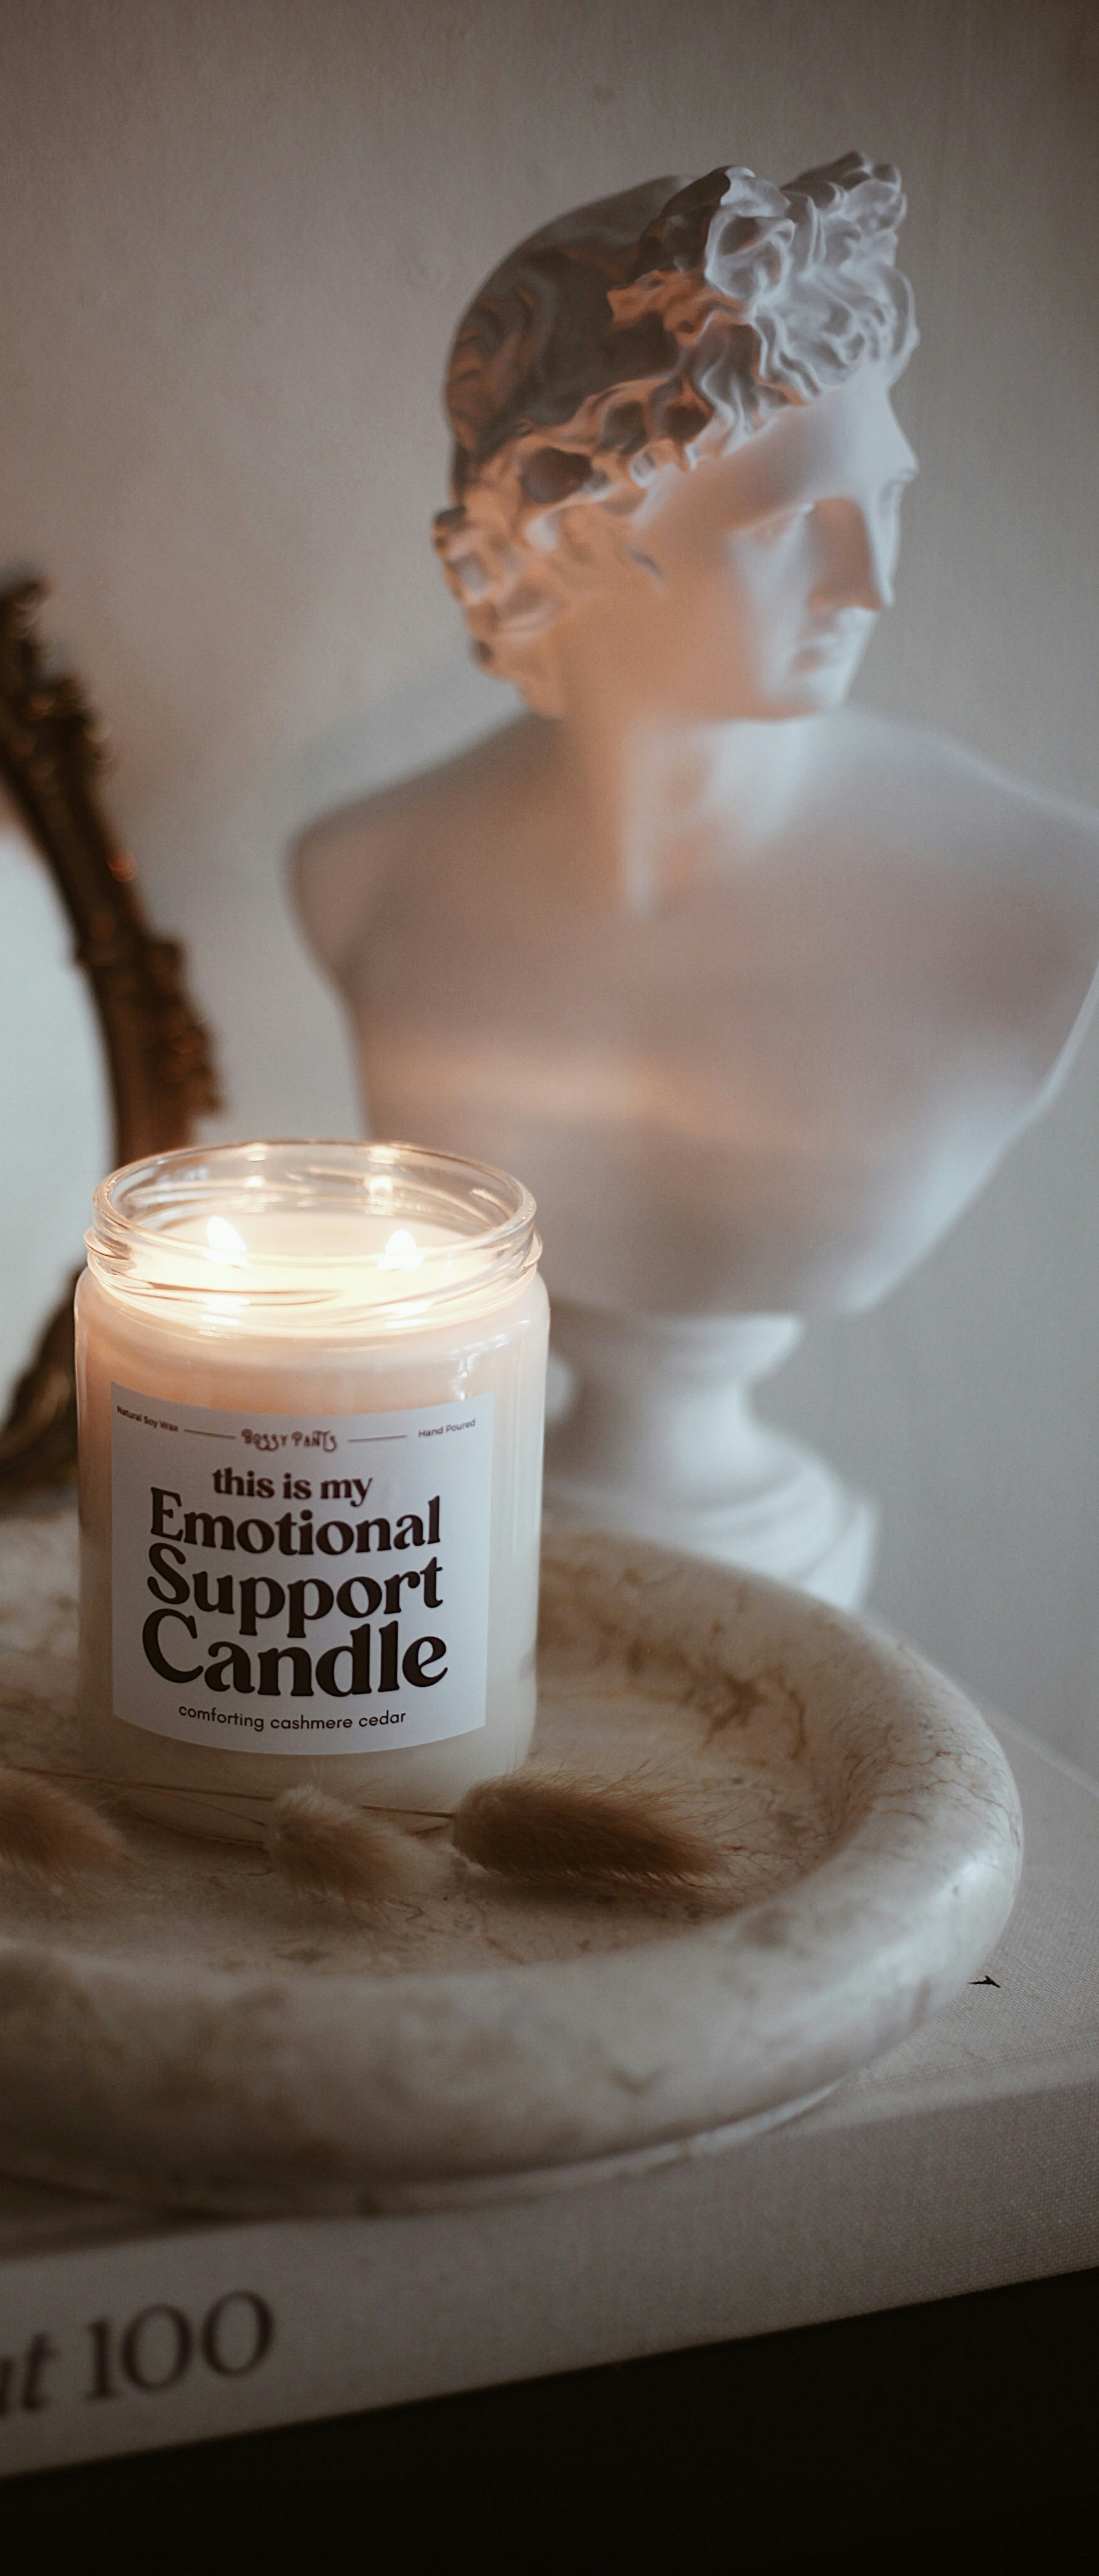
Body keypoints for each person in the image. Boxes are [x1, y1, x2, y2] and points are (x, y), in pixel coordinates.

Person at [294, 156, 1099, 1595]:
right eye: (792, 523)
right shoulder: (364, 875)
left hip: (759, 1549)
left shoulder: (1038, 905)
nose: (871, 584)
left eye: (886, 499)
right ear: (572, 532)